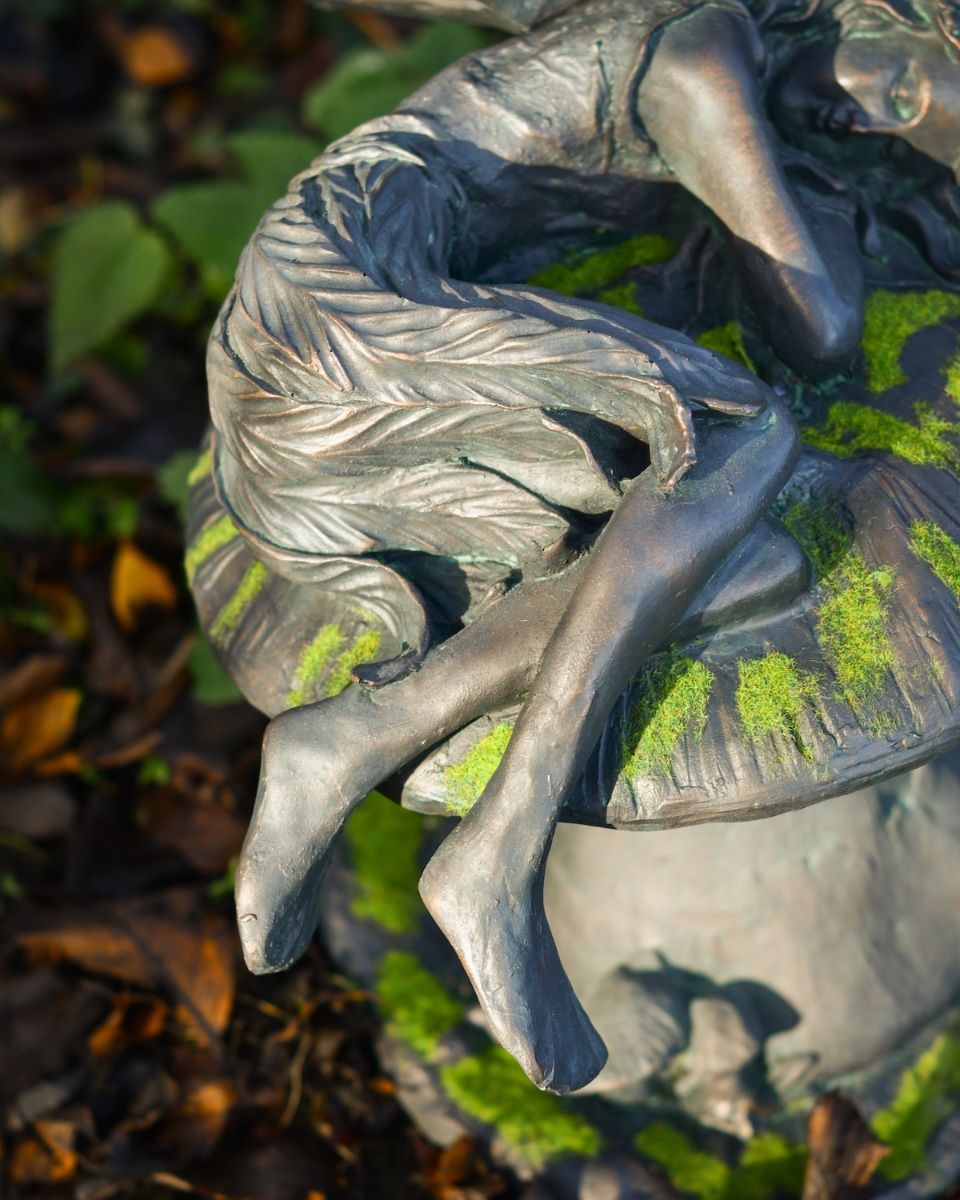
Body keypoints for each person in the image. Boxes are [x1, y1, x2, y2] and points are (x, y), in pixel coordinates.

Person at [196, 0, 960, 1093]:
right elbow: (820, 324)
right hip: (335, 308)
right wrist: (823, 192)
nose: (852, 107)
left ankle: (360, 735)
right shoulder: (701, 50)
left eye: (883, 132)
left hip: (397, 328)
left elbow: (808, 298)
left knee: (752, 564)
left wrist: (845, 174)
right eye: (896, 81)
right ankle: (502, 846)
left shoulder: (757, 84)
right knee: (744, 436)